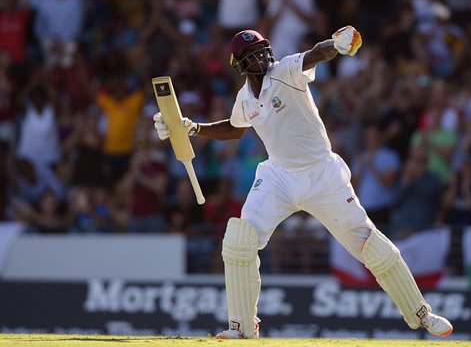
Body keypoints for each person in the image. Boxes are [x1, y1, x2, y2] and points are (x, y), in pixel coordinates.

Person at [153, 26, 453, 339]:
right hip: (278, 177)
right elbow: (234, 129)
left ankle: (421, 314)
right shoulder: (244, 98)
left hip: (322, 175)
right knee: (240, 240)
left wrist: (335, 45)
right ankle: (242, 327)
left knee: (370, 244)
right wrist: (192, 128)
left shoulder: (285, 71)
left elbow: (315, 55)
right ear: (239, 64)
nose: (260, 56)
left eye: (261, 49)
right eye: (251, 54)